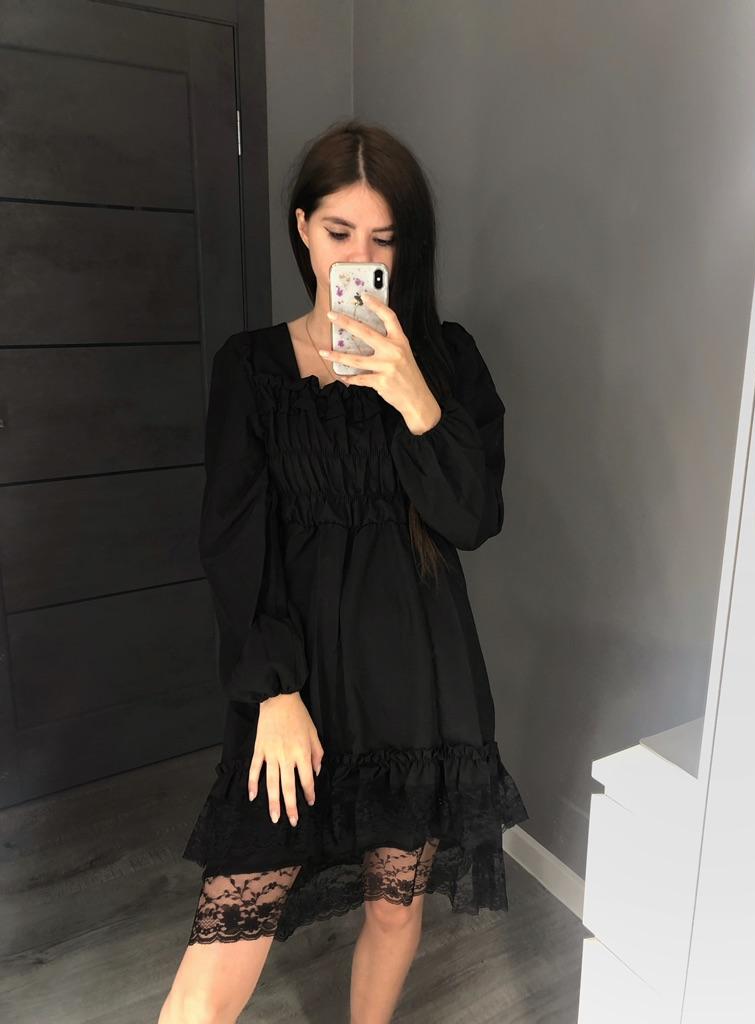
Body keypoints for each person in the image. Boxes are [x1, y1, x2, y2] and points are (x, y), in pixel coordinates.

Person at [158, 119, 529, 1024]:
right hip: (296, 684)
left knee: (395, 907)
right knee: (228, 933)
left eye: (383, 240)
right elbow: (233, 542)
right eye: (338, 232)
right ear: (302, 228)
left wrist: (414, 397)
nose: (359, 258)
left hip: (418, 682)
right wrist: (274, 692)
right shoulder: (251, 368)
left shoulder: (447, 360)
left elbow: (473, 519)